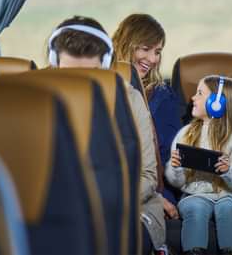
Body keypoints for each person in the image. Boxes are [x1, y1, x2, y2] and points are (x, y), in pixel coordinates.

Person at [47, 15, 165, 254]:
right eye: (69, 74)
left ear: (106, 65)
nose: (79, 83)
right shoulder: (37, 100)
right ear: (53, 63)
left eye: (90, 73)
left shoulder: (129, 99)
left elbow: (147, 175)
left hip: (129, 208)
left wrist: (98, 203)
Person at [165, 75, 232, 255]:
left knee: (227, 208)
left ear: (217, 103)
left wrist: (228, 171)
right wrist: (176, 167)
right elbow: (176, 182)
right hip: (195, 194)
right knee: (195, 207)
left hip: (229, 196)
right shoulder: (186, 134)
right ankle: (194, 251)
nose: (192, 98)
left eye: (199, 94)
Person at [112, 13, 182, 219]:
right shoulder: (100, 87)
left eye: (158, 52)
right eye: (145, 49)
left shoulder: (162, 96)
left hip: (154, 185)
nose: (152, 59)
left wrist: (151, 194)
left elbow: (170, 157)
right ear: (125, 44)